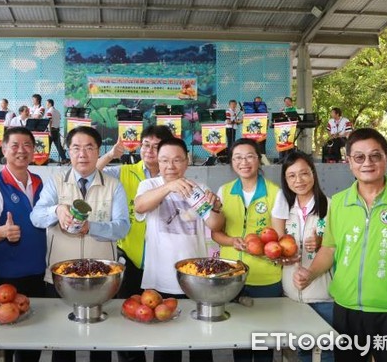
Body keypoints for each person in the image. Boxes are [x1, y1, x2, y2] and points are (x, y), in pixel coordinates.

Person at [295, 128, 387, 362]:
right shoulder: (339, 203)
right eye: (359, 157)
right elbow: (329, 248)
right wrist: (310, 273)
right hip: (346, 310)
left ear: (386, 159)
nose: (367, 163)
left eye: (375, 155)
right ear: (348, 162)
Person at [31, 126, 129, 362]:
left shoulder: (114, 186)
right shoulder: (55, 183)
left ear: (98, 152)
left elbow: (122, 226)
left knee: (102, 343)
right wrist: (57, 209)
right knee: (61, 344)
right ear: (68, 151)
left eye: (89, 148)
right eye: (76, 148)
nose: (82, 154)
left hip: (101, 278)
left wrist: (91, 227)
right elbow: (36, 217)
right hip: (61, 277)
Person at [134, 137, 223, 362]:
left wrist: (216, 208)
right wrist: (169, 187)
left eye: (176, 160)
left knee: (202, 343)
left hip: (196, 279)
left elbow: (214, 225)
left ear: (186, 162)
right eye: (164, 160)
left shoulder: (198, 188)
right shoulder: (149, 185)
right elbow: (141, 205)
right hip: (162, 279)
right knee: (166, 347)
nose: (170, 166)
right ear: (157, 161)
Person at [96, 125, 173, 362]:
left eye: (157, 146)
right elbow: (92, 173)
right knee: (128, 317)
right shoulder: (125, 172)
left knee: (164, 319)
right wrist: (111, 154)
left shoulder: (172, 176)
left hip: (164, 261)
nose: (150, 150)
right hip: (131, 257)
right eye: (146, 144)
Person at [210, 138, 281, 362]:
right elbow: (216, 233)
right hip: (231, 277)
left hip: (266, 278)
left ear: (259, 159)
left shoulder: (275, 193)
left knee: (263, 344)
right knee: (238, 341)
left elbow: (277, 240)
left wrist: (256, 246)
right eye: (237, 157)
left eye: (250, 156)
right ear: (231, 163)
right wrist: (232, 242)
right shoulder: (224, 191)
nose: (244, 162)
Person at [0, 126, 46, 362]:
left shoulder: (39, 182)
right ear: (4, 149)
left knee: (33, 340)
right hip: (7, 277)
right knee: (7, 343)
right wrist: (3, 231)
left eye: (27, 145)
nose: (22, 151)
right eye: (15, 146)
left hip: (38, 274)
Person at [271, 151, 333, 362]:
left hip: (324, 296)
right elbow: (277, 249)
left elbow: (341, 250)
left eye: (304, 173)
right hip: (291, 294)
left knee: (327, 350)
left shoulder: (331, 207)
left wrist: (321, 243)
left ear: (313, 174)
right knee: (303, 350)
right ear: (285, 180)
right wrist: (281, 256)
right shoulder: (284, 209)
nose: (299, 180)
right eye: (292, 176)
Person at [45, 99, 68, 164]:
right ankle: (64, 159)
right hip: (57, 131)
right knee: (59, 146)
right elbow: (58, 121)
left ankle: (45, 160)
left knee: (47, 146)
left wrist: (49, 132)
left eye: (46, 103)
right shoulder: (57, 112)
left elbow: (50, 122)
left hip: (51, 130)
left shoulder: (49, 112)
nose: (46, 105)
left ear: (49, 104)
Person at [0, 98, 16, 164]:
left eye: (3, 103)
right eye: (1, 104)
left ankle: (8, 158)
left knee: (7, 143)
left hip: (8, 129)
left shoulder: (11, 113)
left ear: (7, 104)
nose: (2, 105)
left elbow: (14, 121)